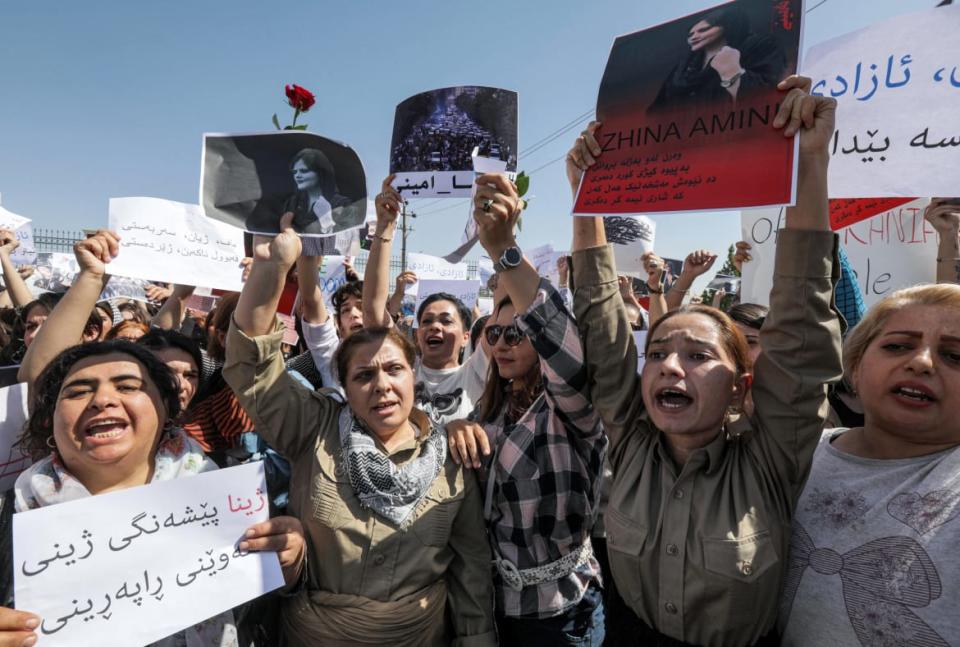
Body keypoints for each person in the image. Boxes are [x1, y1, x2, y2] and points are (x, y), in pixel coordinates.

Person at [567, 76, 842, 646]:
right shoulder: (632, 444)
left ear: (742, 388)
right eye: (660, 353)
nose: (670, 367)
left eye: (697, 356)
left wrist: (809, 164)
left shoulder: (771, 460)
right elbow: (601, 323)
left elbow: (801, 331)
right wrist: (587, 195)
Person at [223, 213, 495, 645]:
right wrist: (272, 267)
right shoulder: (314, 428)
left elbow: (470, 570)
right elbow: (251, 367)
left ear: (413, 376)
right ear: (345, 387)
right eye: (364, 376)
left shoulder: (450, 457)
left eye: (393, 370)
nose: (382, 385)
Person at [0, 340, 306, 646]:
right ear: (49, 419)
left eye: (128, 387)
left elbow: (260, 614)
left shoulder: (231, 498)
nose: (103, 399)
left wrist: (289, 565)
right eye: (78, 391)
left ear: (166, 409)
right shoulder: (10, 513)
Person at [445, 173, 607, 644]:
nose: (504, 343)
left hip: (564, 617)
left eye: (518, 333)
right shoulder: (487, 411)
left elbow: (559, 340)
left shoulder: (570, 408)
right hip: (492, 609)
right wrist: (454, 428)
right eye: (495, 334)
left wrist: (503, 246)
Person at [778, 283, 960, 645]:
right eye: (897, 346)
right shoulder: (790, 456)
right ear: (855, 368)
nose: (921, 362)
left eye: (955, 356)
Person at [364, 176, 489, 426]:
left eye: (446, 321)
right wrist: (385, 228)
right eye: (427, 320)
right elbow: (374, 313)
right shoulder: (405, 370)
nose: (435, 327)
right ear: (418, 334)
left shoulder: (476, 372)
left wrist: (495, 221)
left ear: (467, 335)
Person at [649, 5, 786, 112]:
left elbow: (767, 101)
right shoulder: (683, 68)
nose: (694, 37)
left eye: (703, 30)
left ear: (726, 27)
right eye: (690, 34)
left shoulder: (758, 47)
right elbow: (656, 112)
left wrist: (732, 72)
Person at [278, 148, 364, 257]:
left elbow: (346, 250)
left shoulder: (343, 205)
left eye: (304, 171)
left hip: (326, 270)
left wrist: (326, 222)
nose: (297, 176)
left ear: (320, 173)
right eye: (295, 172)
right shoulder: (291, 203)